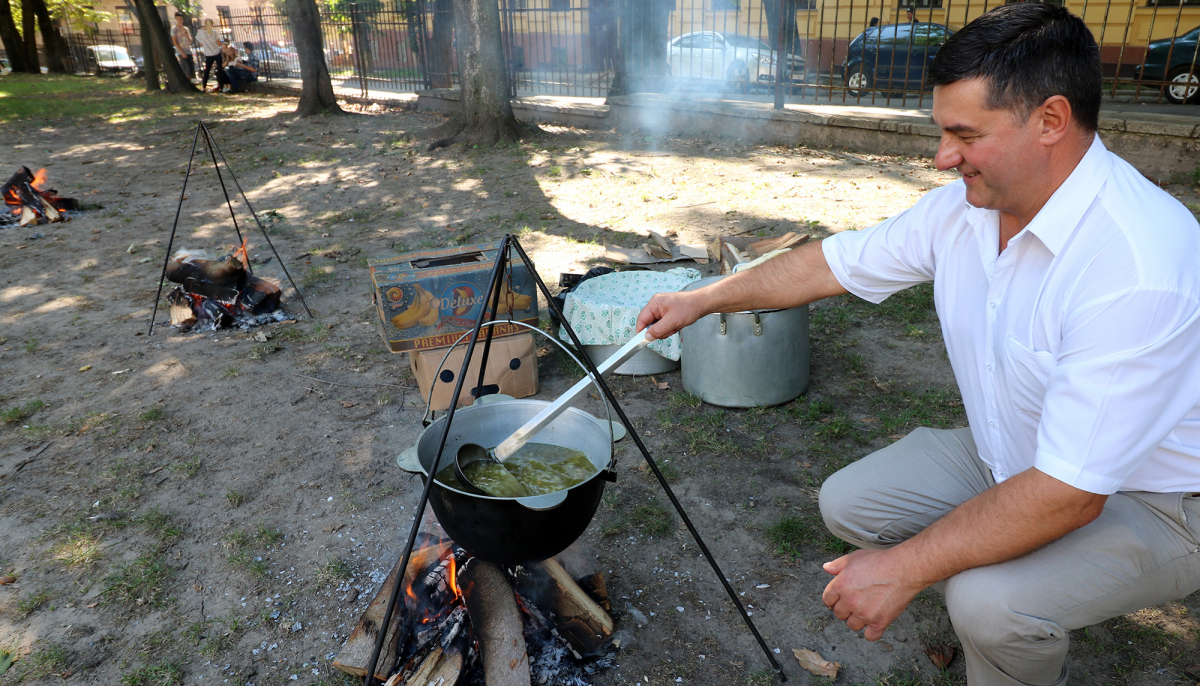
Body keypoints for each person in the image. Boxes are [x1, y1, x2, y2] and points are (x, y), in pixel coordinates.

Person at [634, 5, 1200, 685]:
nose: (941, 157)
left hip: (1156, 499)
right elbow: (827, 264)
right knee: (850, 503)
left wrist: (905, 567)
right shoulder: (966, 209)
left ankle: (1007, 621)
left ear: (1052, 120)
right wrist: (704, 299)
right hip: (1020, 454)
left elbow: (1071, 493)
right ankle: (999, 557)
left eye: (965, 134)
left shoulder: (1136, 268)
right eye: (941, 131)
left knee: (989, 604)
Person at [195, 19, 223, 91]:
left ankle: (204, 87)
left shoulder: (200, 33)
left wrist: (206, 44)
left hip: (209, 54)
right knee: (219, 69)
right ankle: (221, 86)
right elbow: (218, 43)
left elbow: (200, 43)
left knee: (207, 70)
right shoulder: (213, 33)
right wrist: (223, 45)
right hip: (215, 53)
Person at [169, 13, 194, 80]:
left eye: (180, 19)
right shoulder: (173, 29)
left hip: (188, 50)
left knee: (191, 69)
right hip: (181, 52)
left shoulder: (186, 28)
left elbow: (190, 40)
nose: (179, 20)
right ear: (175, 19)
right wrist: (182, 52)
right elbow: (174, 42)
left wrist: (185, 33)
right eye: (178, 18)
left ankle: (190, 84)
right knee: (186, 70)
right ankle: (187, 84)